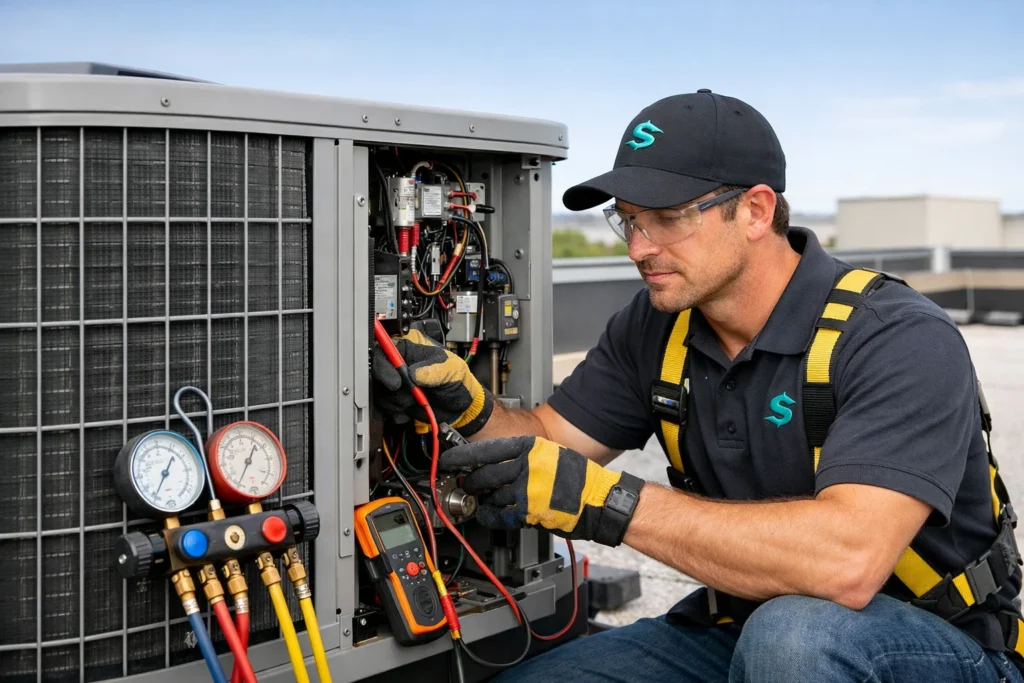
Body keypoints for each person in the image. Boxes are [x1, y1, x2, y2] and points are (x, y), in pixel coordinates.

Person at [371, 90, 1023, 682]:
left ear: (756, 210)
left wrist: (610, 503)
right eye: (628, 219)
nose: (638, 247)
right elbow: (550, 444)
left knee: (795, 640)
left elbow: (846, 563)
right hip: (743, 631)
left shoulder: (895, 336)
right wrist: (470, 406)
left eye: (666, 217)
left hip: (936, 644)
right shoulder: (657, 327)